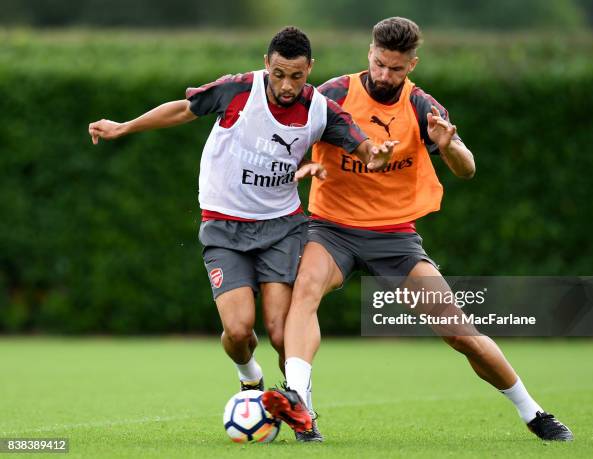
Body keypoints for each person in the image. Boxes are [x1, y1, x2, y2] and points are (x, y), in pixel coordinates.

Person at [262, 17, 573, 443]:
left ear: (412, 64)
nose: (385, 75)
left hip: (394, 237)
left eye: (396, 68)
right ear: (369, 54)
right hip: (331, 228)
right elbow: (290, 147)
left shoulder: (423, 107)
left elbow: (467, 169)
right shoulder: (332, 95)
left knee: (459, 330)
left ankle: (533, 412)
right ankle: (301, 404)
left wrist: (448, 146)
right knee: (306, 292)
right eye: (378, 63)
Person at [88, 27, 396, 404]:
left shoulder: (320, 109)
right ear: (267, 63)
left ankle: (302, 410)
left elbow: (364, 147)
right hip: (224, 224)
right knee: (237, 331)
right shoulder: (237, 89)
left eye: (296, 76)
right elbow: (185, 109)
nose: (287, 85)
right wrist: (126, 126)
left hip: (282, 227)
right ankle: (250, 377)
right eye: (279, 74)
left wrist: (376, 157)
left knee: (283, 333)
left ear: (309, 70)